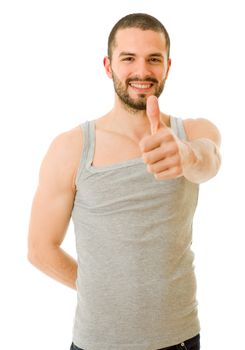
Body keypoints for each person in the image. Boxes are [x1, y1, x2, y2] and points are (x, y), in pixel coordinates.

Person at [27, 13, 221, 350]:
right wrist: (106, 294)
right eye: (128, 58)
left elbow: (209, 160)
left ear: (168, 67)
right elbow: (39, 248)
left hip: (180, 339)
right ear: (108, 65)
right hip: (96, 342)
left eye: (153, 59)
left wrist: (186, 155)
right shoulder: (71, 147)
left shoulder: (193, 132)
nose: (142, 71)